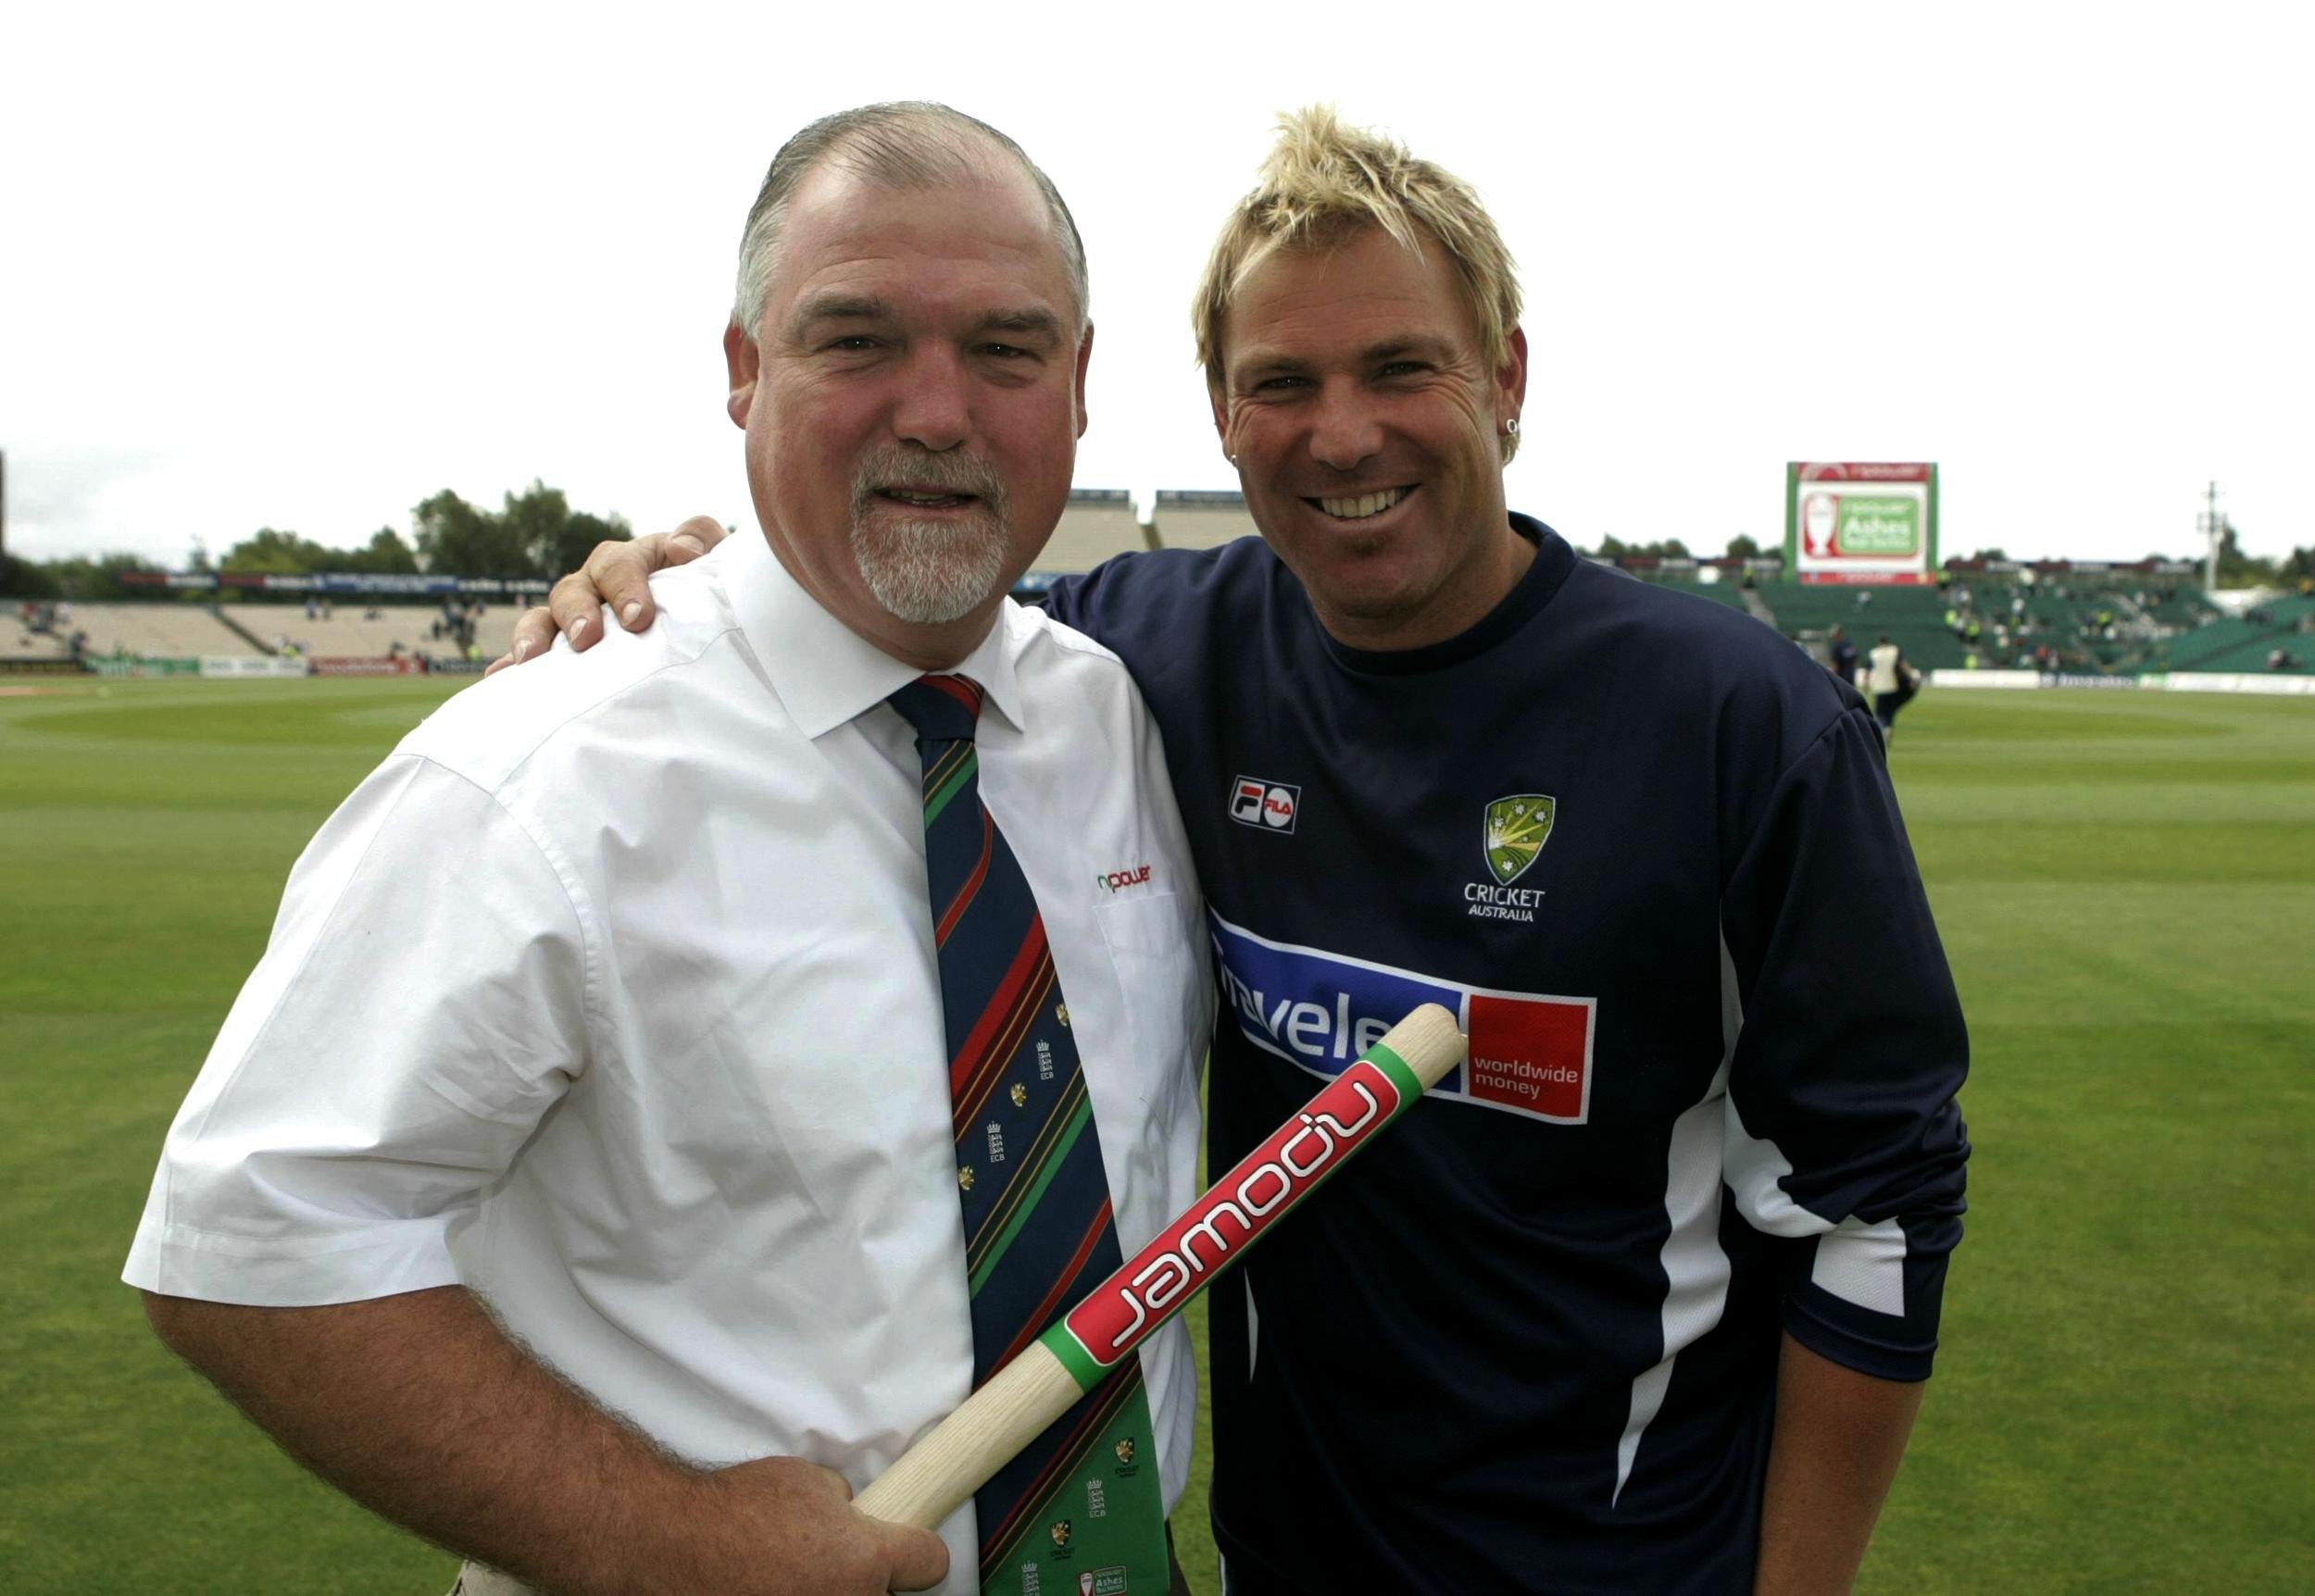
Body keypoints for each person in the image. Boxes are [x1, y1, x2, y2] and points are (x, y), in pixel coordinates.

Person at [518, 108, 1970, 1594]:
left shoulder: (1741, 730)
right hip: (1280, 1561)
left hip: (1618, 1567)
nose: (1344, 434)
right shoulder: (1149, 656)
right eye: (1283, 382)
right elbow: (890, 602)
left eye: (1402, 366)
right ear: (1220, 410)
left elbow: (1879, 1210)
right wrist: (686, 583)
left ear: (1507, 378)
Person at [126, 103, 1216, 1596]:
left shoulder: (1114, 720)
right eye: (858, 340)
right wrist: (667, 1536)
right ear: (743, 368)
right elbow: (250, 1228)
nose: (940, 410)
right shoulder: (549, 764)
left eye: (1007, 349)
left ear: (1081, 385)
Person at [1866, 634, 1920, 739]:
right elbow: (1903, 665)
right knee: (1890, 710)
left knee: (1879, 712)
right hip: (1892, 686)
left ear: (1879, 643)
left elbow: (1867, 672)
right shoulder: (1894, 651)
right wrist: (1911, 678)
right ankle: (1888, 728)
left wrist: (1866, 686)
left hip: (1879, 687)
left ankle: (1880, 732)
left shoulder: (1874, 653)